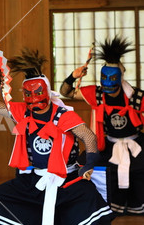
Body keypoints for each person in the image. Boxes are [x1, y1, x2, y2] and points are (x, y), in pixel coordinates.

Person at [0, 48, 128, 225]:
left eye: (38, 93)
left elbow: (89, 136)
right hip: (36, 178)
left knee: (92, 196)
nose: (34, 99)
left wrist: (89, 164)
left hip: (66, 177)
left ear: (47, 92)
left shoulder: (62, 114)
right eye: (29, 94)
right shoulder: (22, 111)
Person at [60, 35, 144, 215]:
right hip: (108, 144)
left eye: (112, 81)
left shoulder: (136, 96)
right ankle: (99, 206)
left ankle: (137, 205)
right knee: (84, 165)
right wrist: (73, 76)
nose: (108, 86)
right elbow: (65, 93)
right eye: (104, 79)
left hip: (136, 144)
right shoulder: (96, 94)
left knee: (137, 173)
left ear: (120, 78)